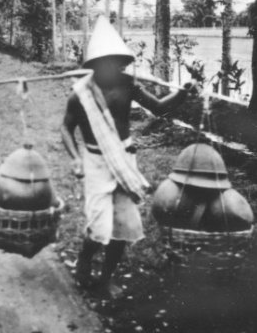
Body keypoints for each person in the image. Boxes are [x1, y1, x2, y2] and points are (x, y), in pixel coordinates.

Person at [61, 16, 195, 298]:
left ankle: (106, 278)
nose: (111, 66)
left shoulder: (129, 85)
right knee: (99, 226)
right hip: (96, 163)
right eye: (104, 61)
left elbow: (158, 108)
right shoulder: (81, 94)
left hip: (124, 160)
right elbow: (66, 128)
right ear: (94, 64)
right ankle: (85, 260)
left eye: (115, 61)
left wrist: (181, 93)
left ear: (121, 62)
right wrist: (75, 158)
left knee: (123, 225)